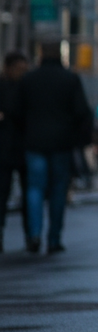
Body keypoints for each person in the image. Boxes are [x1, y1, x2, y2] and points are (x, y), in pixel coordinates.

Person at [11, 43, 92, 254]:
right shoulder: (70, 79)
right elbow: (82, 112)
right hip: (61, 142)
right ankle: (54, 238)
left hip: (34, 141)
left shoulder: (29, 79)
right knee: (58, 190)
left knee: (34, 188)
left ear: (40, 55)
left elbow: (17, 111)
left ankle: (34, 234)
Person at [0, 51, 30, 250]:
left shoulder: (29, 87)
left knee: (29, 193)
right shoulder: (8, 87)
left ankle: (31, 234)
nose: (22, 73)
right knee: (2, 193)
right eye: (19, 69)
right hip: (6, 148)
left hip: (25, 147)